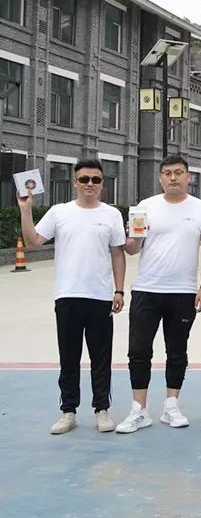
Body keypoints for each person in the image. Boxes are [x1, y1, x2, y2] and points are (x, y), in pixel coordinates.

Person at [17, 159, 126, 434]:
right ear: (75, 182)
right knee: (69, 357)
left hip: (100, 296)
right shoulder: (59, 212)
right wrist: (26, 210)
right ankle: (68, 412)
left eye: (96, 180)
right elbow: (33, 242)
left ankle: (102, 410)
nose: (90, 184)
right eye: (84, 179)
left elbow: (117, 253)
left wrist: (119, 290)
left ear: (102, 184)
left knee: (101, 357)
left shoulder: (111, 214)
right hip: (67, 295)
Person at [116, 155, 201, 433]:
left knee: (177, 350)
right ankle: (139, 410)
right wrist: (131, 238)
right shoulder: (145, 207)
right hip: (146, 290)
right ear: (160, 178)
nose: (173, 178)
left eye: (179, 173)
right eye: (168, 173)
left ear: (189, 177)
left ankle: (171, 406)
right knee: (139, 351)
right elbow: (133, 249)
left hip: (183, 292)